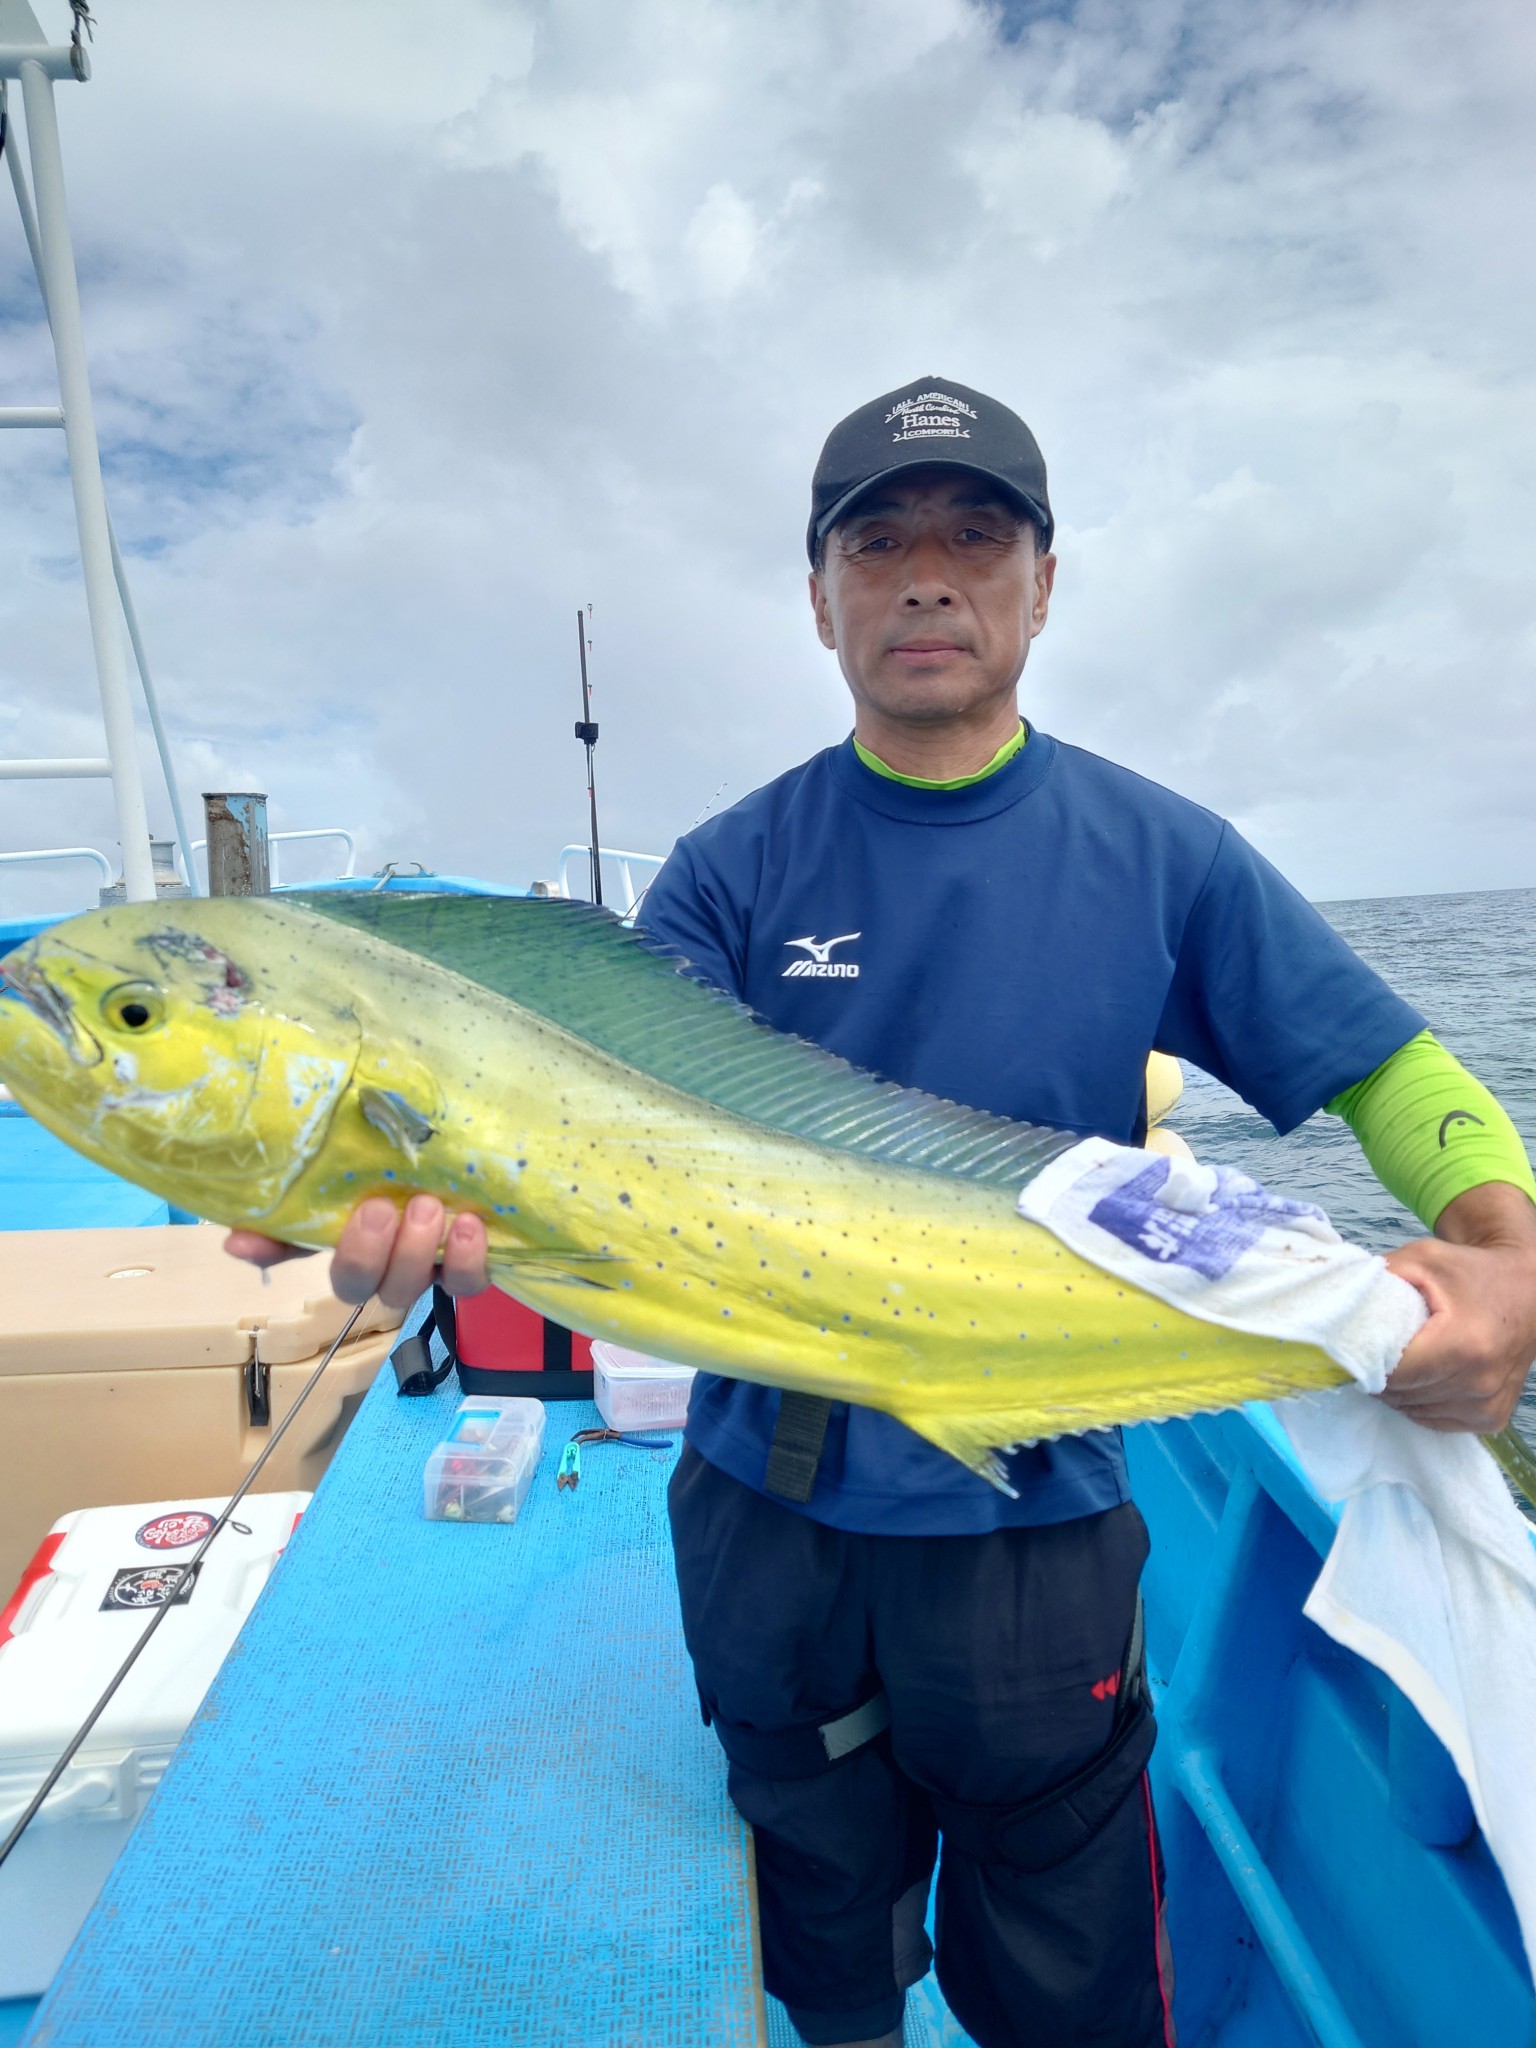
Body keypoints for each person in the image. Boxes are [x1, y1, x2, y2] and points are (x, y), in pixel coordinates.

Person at [230, 377, 1536, 2048]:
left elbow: (1392, 1070)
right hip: (769, 1512)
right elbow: (566, 1127)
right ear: (819, 596)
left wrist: (1505, 1255)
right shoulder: (729, 867)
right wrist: (362, 1181)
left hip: (1037, 1512)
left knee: (1063, 1965)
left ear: (1043, 585)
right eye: (878, 543)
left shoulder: (1167, 853)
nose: (926, 576)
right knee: (821, 1936)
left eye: (975, 538)